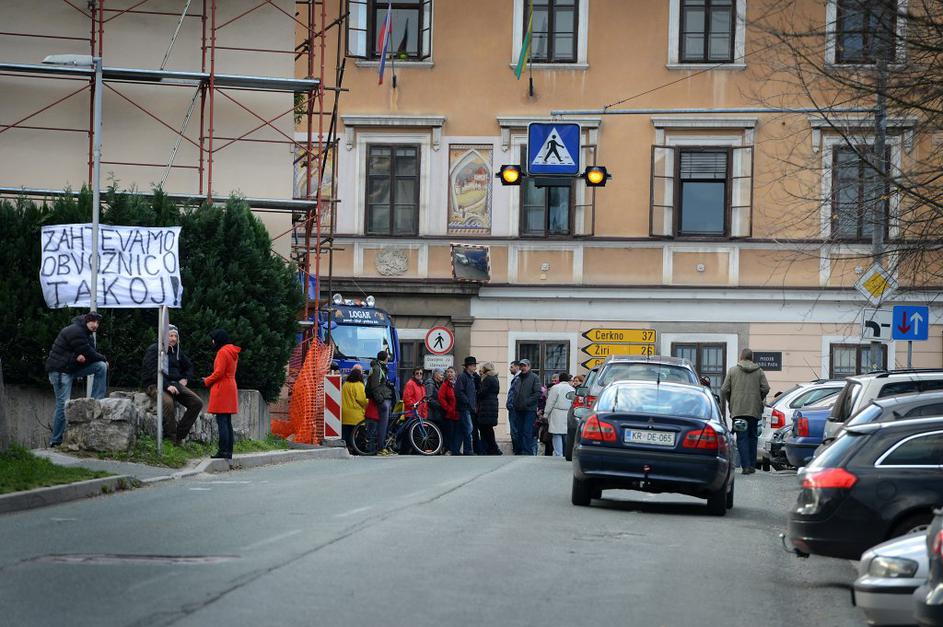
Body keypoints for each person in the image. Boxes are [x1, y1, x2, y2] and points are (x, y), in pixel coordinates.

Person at [45, 312, 109, 447]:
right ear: (86, 320)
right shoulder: (76, 331)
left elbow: (87, 356)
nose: (95, 325)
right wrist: (102, 358)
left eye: (98, 323)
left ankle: (96, 401)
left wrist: (81, 358)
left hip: (71, 369)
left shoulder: (87, 334)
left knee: (100, 367)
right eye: (93, 322)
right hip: (60, 371)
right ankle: (55, 441)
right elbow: (88, 352)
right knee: (63, 405)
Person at [141, 324, 204, 445]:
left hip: (175, 384)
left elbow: (189, 366)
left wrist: (186, 378)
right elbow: (153, 371)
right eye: (170, 335)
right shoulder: (154, 349)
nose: (173, 339)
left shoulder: (177, 351)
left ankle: (180, 434)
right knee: (168, 403)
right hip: (155, 384)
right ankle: (173, 439)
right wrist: (166, 386)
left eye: (175, 336)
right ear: (164, 336)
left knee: (197, 403)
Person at [720, 348, 770, 475]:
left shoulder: (732, 371)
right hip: (753, 410)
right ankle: (752, 465)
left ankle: (745, 466)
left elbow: (724, 389)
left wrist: (731, 400)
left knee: (742, 438)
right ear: (752, 358)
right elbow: (766, 388)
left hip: (738, 410)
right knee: (752, 437)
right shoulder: (759, 371)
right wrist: (759, 398)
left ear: (741, 357)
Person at [202, 329, 241, 460]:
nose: (212, 342)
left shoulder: (222, 352)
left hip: (222, 388)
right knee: (227, 421)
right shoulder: (232, 351)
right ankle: (229, 451)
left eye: (213, 339)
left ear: (218, 340)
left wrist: (206, 380)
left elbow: (219, 372)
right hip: (231, 386)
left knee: (222, 421)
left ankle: (223, 451)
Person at [366, 350, 394, 455]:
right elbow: (375, 386)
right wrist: (380, 400)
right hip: (382, 399)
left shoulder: (380, 367)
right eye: (388, 357)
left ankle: (385, 446)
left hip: (385, 397)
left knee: (385, 425)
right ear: (385, 358)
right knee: (382, 425)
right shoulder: (377, 369)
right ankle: (380, 448)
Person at [512, 359, 541, 455]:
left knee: (527, 431)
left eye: (524, 366)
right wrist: (514, 403)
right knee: (519, 430)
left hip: (529, 409)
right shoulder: (518, 378)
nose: (522, 368)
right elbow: (515, 392)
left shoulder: (534, 378)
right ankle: (519, 450)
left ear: (529, 367)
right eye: (521, 366)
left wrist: (526, 402)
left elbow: (537, 393)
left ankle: (527, 451)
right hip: (518, 409)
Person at [544, 373, 574, 458]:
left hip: (557, 412)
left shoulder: (555, 388)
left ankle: (558, 454)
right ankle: (566, 453)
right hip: (568, 412)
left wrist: (546, 414)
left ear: (559, 380)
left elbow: (550, 402)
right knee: (565, 434)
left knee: (556, 434)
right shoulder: (572, 388)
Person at [455, 356, 479, 455]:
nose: (475, 368)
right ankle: (467, 450)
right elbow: (459, 392)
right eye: (473, 366)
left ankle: (456, 450)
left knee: (463, 429)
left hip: (469, 407)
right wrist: (468, 402)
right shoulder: (463, 377)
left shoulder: (471, 377)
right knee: (468, 428)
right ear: (468, 367)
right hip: (464, 407)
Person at [477, 362, 501, 455]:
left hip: (486, 407)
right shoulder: (495, 378)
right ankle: (491, 449)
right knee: (488, 429)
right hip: (491, 406)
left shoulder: (488, 379)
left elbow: (482, 393)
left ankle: (493, 449)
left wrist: (477, 392)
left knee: (486, 429)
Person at [341, 368, 368, 450]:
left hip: (345, 414)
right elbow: (362, 400)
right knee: (358, 433)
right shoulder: (359, 385)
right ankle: (358, 448)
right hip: (356, 415)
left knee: (346, 433)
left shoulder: (345, 384)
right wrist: (368, 402)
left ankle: (347, 448)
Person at [438, 366, 460, 455]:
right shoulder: (445, 385)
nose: (449, 374)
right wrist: (448, 408)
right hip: (449, 414)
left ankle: (455, 450)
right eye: (448, 372)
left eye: (451, 372)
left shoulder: (457, 384)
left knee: (456, 433)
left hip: (457, 413)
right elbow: (441, 398)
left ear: (455, 373)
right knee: (449, 433)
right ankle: (448, 449)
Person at [506, 361, 522, 454]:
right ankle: (517, 449)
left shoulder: (518, 378)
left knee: (515, 430)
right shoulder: (517, 378)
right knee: (515, 429)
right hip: (514, 407)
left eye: (511, 367)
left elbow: (515, 393)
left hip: (514, 408)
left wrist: (511, 404)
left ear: (517, 367)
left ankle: (517, 450)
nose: (510, 369)